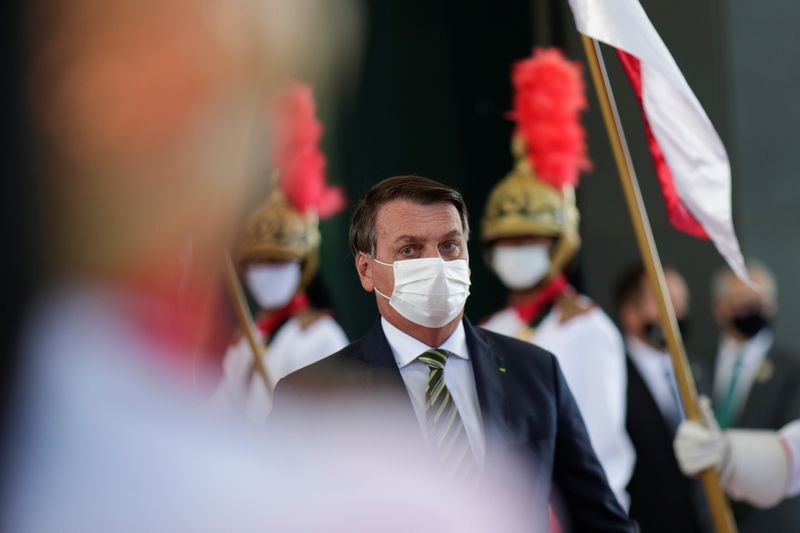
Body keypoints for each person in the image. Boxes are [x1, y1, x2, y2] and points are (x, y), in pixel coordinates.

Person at [278, 175, 635, 532]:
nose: (435, 263)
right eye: (409, 250)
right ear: (366, 270)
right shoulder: (310, 398)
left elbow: (600, 520)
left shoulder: (536, 371)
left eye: (449, 245)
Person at [480, 47, 634, 510]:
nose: (515, 250)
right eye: (506, 241)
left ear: (559, 242)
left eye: (530, 238)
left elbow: (601, 451)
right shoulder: (490, 330)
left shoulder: (586, 329)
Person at [211, 83, 348, 423]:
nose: (264, 272)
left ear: (303, 265)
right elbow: (219, 412)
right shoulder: (248, 337)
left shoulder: (320, 337)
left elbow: (320, 424)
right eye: (255, 263)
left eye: (277, 261)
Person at [674, 261, 800, 532]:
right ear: (719, 307)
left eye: (759, 301)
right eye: (741, 301)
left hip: (768, 519)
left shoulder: (792, 370)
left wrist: (732, 457)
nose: (751, 310)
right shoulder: (694, 367)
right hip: (704, 516)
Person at [615, 263, 710, 533]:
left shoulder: (697, 370)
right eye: (666, 302)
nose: (677, 313)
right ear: (630, 312)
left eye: (682, 302)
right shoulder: (614, 376)